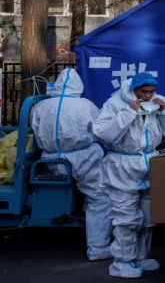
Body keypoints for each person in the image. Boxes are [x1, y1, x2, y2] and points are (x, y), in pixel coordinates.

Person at [92, 72, 165, 279]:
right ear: (134, 89)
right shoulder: (115, 103)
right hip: (122, 165)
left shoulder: (158, 101)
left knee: (147, 216)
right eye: (144, 92)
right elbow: (102, 134)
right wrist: (127, 113)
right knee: (125, 216)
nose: (148, 96)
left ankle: (140, 257)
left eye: (151, 92)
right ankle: (122, 262)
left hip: (149, 162)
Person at [29, 67, 111, 261]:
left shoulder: (40, 106)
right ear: (78, 86)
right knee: (99, 197)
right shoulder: (85, 105)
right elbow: (99, 131)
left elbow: (34, 129)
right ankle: (98, 247)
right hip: (83, 157)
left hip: (50, 160)